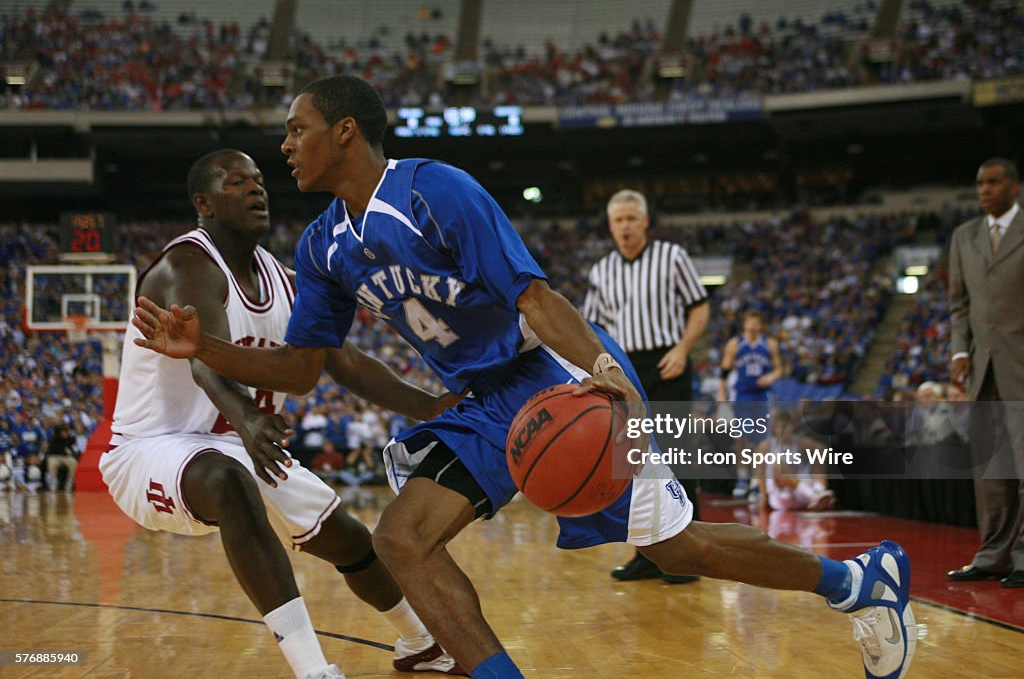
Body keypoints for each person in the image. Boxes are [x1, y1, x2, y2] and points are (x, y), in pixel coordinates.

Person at [131, 75, 918, 679]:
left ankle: (855, 580)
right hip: (480, 405)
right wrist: (204, 349)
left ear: (345, 132)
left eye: (297, 131)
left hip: (551, 378)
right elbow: (304, 370)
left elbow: (534, 298)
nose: (286, 148)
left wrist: (613, 377)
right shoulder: (322, 246)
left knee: (679, 547)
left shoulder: (436, 190)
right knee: (403, 541)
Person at [99, 149, 463, 678]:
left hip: (241, 443)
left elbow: (346, 362)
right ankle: (313, 670)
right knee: (229, 481)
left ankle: (421, 643)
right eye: (237, 181)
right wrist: (246, 416)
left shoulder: (287, 280)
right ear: (204, 203)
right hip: (149, 450)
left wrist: (428, 405)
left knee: (349, 539)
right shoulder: (186, 266)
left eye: (259, 180)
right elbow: (205, 361)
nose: (256, 189)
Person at [583, 188, 709, 584]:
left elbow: (700, 306)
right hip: (626, 369)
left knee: (678, 459)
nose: (624, 226)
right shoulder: (601, 270)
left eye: (630, 219)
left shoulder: (672, 257)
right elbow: (592, 328)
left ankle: (692, 556)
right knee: (634, 463)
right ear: (610, 225)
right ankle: (647, 554)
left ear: (645, 221)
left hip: (667, 362)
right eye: (618, 220)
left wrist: (684, 348)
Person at [947, 157, 1024, 589]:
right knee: (992, 472)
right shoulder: (964, 237)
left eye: (994, 182)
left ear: (1015, 187)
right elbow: (959, 306)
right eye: (980, 184)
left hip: (1021, 366)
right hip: (982, 370)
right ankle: (993, 554)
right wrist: (960, 350)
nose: (985, 190)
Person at [718, 310, 783, 500]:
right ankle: (742, 479)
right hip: (742, 395)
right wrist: (721, 393)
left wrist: (771, 376)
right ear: (745, 324)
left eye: (756, 322)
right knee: (742, 439)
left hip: (762, 396)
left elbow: (780, 368)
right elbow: (723, 371)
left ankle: (757, 481)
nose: (752, 326)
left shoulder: (769, 344)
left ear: (761, 325)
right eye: (749, 322)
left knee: (762, 441)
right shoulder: (735, 344)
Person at [753, 410, 834, 513]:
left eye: (787, 426)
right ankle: (814, 496)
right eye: (781, 426)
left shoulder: (800, 442)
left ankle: (819, 490)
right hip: (782, 497)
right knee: (779, 467)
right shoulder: (766, 446)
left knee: (818, 453)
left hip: (801, 494)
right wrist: (763, 498)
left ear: (793, 427)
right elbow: (759, 472)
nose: (784, 430)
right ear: (774, 428)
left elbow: (822, 449)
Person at [43, 422, 79, 491]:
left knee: (73, 462)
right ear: (59, 432)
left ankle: (70, 481)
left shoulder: (68, 439)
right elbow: (51, 452)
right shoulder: (54, 439)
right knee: (53, 463)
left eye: (66, 432)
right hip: (54, 456)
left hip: (64, 457)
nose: (65, 433)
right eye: (63, 432)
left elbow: (72, 445)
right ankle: (54, 481)